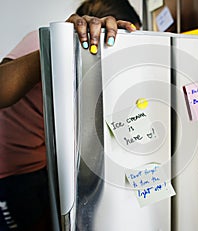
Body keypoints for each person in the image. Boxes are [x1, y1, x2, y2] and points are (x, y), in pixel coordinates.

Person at [0, 0, 142, 230]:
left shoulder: (94, 61)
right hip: (11, 171)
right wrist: (57, 46)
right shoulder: (41, 40)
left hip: (41, 163)